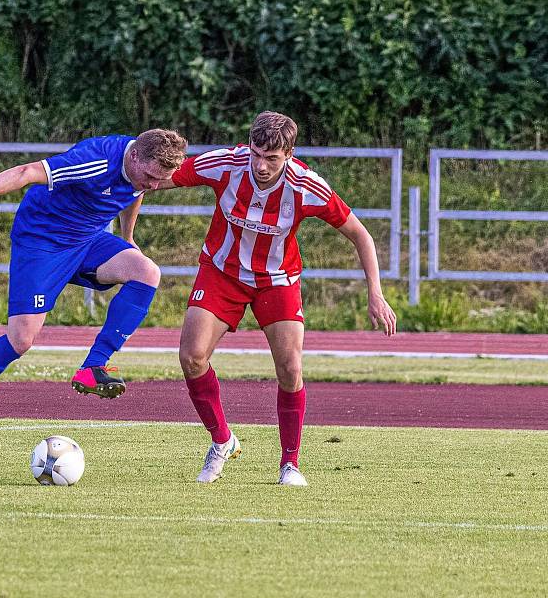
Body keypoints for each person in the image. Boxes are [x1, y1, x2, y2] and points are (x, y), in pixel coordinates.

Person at [158, 111, 397, 485]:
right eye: (256, 154)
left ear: (289, 154)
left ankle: (290, 464)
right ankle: (222, 441)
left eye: (272, 158)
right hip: (222, 273)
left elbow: (360, 234)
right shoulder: (226, 164)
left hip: (277, 281)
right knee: (191, 356)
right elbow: (154, 179)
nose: (261, 165)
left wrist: (376, 294)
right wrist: (127, 226)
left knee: (290, 369)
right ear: (248, 146)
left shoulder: (307, 187)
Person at [0, 130, 188, 461]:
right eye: (151, 177)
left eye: (160, 180)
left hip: (87, 240)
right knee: (20, 341)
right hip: (42, 241)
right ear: (135, 156)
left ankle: (93, 367)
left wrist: (128, 236)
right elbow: (25, 174)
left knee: (147, 272)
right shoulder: (94, 162)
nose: (154, 185)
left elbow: (134, 190)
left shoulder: (142, 169)